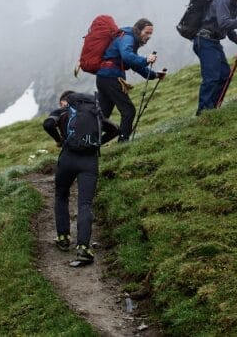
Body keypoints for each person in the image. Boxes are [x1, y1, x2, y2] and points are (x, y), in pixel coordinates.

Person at [42, 90, 119, 266]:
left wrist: (60, 139)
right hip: (90, 161)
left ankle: (62, 237)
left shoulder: (62, 111)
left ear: (65, 101)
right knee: (85, 204)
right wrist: (99, 142)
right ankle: (83, 248)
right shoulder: (94, 113)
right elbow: (115, 129)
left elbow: (47, 124)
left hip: (68, 158)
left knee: (61, 195)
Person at [96, 19, 164, 141]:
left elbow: (135, 65)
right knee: (128, 111)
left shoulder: (129, 38)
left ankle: (90, 142)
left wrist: (155, 75)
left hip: (104, 77)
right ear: (138, 30)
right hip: (111, 77)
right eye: (147, 33)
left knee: (102, 115)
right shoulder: (128, 38)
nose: (149, 36)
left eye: (151, 34)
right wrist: (146, 60)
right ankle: (123, 141)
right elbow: (127, 57)